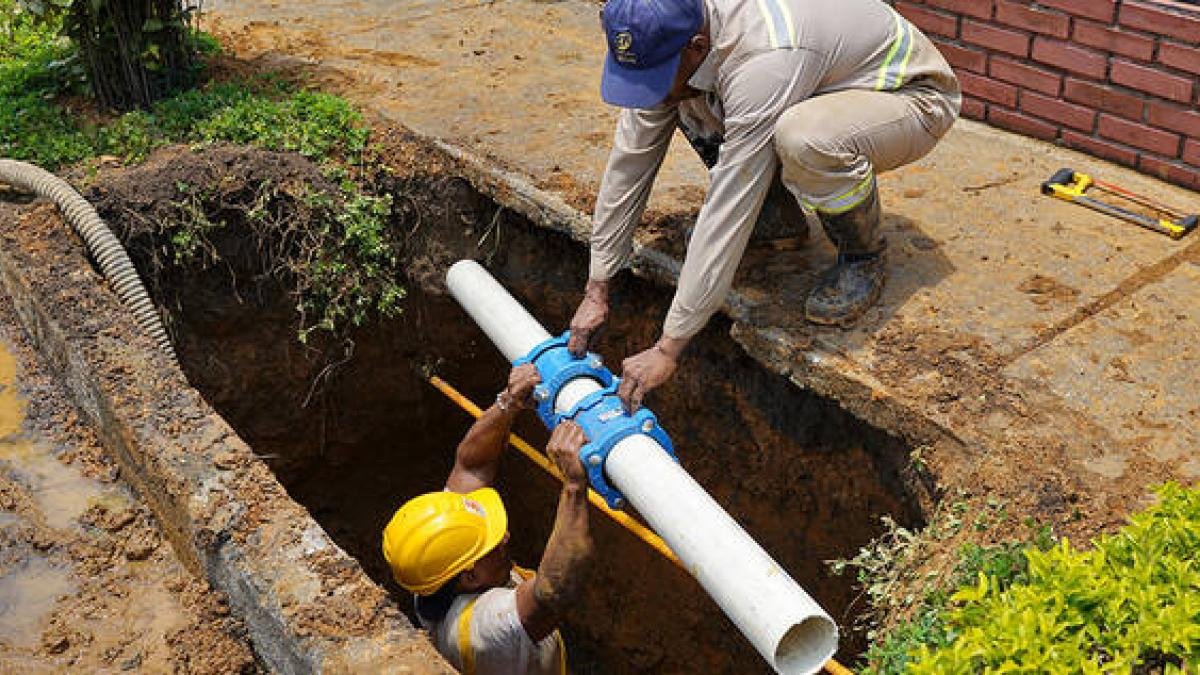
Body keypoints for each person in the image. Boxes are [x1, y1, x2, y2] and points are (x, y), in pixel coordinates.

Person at [569, 0, 960, 411]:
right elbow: (629, 164)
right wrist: (597, 286)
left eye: (657, 77)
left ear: (696, 46)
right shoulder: (670, 35)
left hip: (908, 95)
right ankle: (776, 221)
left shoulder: (763, 59)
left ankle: (863, 256)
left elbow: (729, 207)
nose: (651, 92)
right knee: (684, 97)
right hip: (815, 77)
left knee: (805, 138)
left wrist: (669, 347)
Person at [382, 364, 592, 675]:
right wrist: (574, 486)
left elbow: (471, 466)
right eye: (492, 544)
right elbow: (553, 592)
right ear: (470, 577)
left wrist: (508, 402)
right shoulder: (483, 630)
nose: (505, 537)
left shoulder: (434, 568)